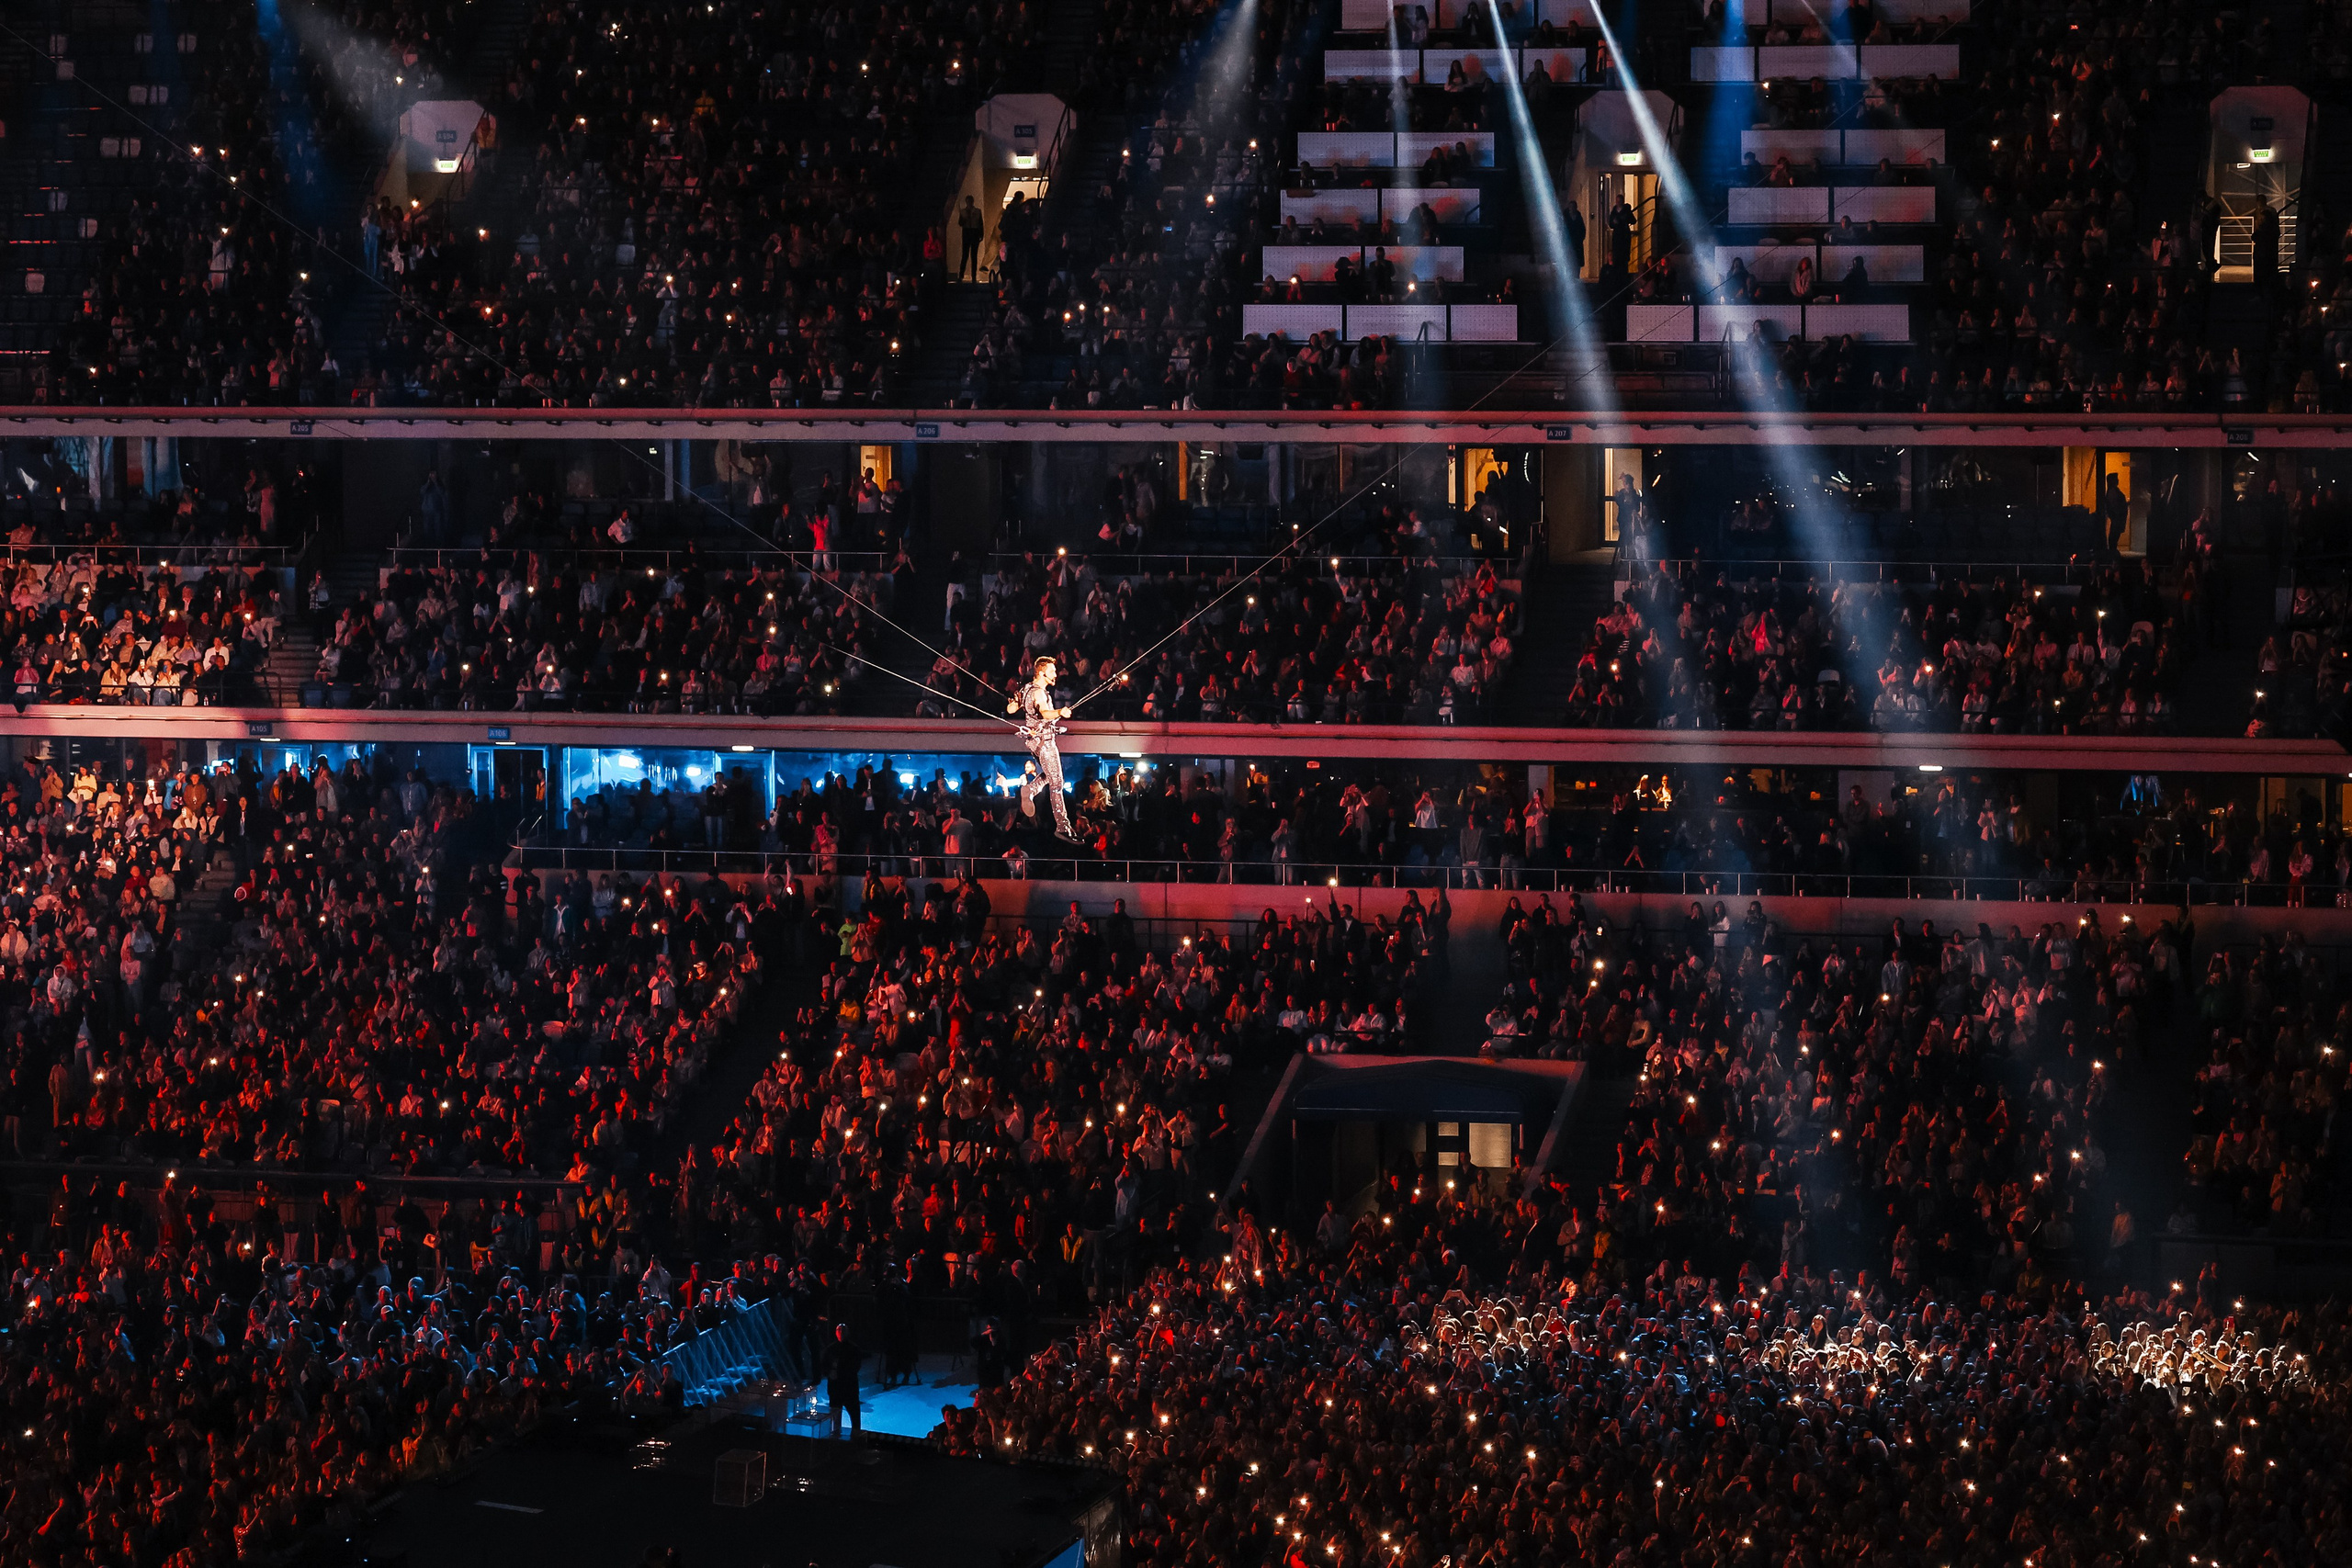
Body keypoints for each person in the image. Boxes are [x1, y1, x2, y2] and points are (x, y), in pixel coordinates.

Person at [1006, 655, 1077, 840]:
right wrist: (1061, 711)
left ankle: (1030, 790)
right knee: (1057, 783)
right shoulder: (1039, 693)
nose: (1055, 674)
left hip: (1034, 741)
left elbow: (1011, 710)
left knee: (1049, 773)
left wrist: (1014, 702)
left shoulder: (1026, 689)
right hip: (1045, 742)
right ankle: (1063, 827)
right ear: (1042, 672)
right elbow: (1045, 713)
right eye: (1052, 671)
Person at [827, 1321, 866, 1440]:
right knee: (835, 1416)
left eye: (843, 1331)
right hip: (836, 1388)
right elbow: (824, 1365)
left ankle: (856, 1437)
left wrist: (838, 1373)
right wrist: (829, 1372)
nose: (841, 1333)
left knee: (854, 1415)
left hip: (849, 1388)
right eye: (839, 1330)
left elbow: (855, 1367)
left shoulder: (854, 1349)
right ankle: (835, 1436)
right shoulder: (831, 1349)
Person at [957, 195, 986, 282]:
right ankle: (961, 274)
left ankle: (973, 275)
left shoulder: (977, 211)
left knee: (974, 255)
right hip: (967, 232)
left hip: (974, 232)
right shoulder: (963, 212)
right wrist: (964, 218)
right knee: (965, 255)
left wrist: (981, 234)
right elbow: (960, 223)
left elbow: (980, 223)